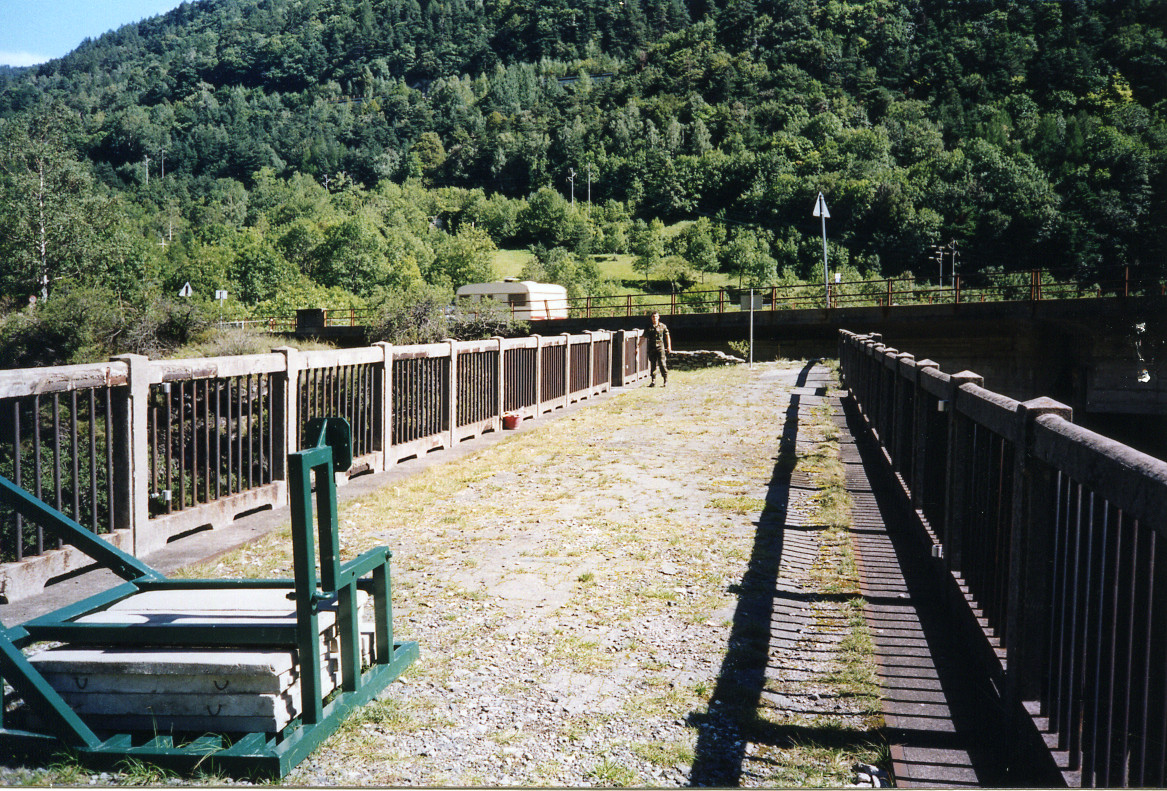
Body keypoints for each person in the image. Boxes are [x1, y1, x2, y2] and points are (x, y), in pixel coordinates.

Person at [646, 311, 672, 387]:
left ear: (658, 317)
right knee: (653, 365)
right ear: (651, 318)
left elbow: (667, 336)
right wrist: (638, 347)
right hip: (651, 348)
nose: (654, 318)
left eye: (656, 317)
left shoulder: (663, 326)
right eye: (653, 317)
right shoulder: (648, 327)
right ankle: (653, 381)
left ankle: (665, 380)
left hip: (660, 347)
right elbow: (643, 337)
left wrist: (669, 346)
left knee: (662, 364)